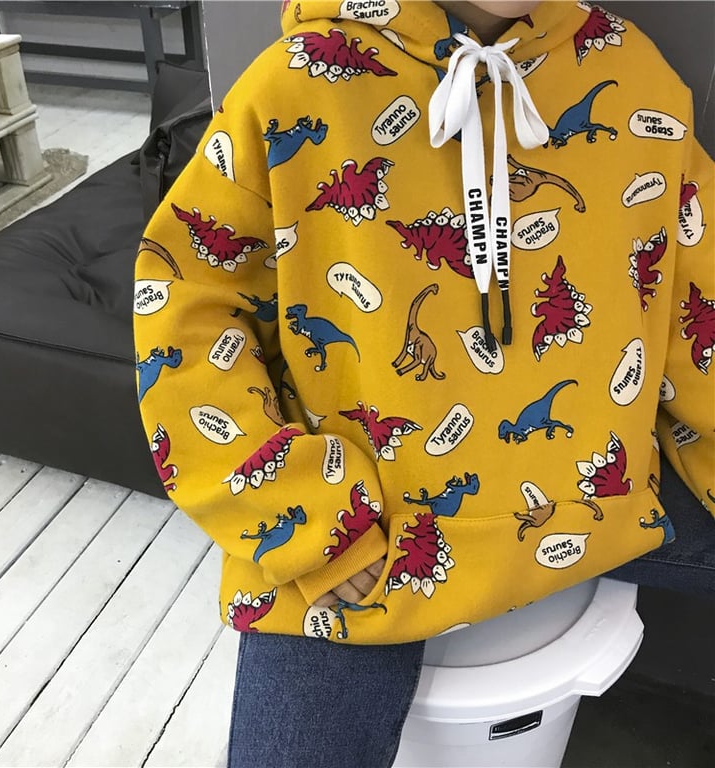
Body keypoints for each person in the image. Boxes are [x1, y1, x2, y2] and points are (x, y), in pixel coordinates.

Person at [133, 1, 714, 765]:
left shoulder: (637, 76)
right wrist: (305, 518)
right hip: (366, 540)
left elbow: (697, 309)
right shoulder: (293, 86)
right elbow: (185, 316)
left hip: (599, 497)